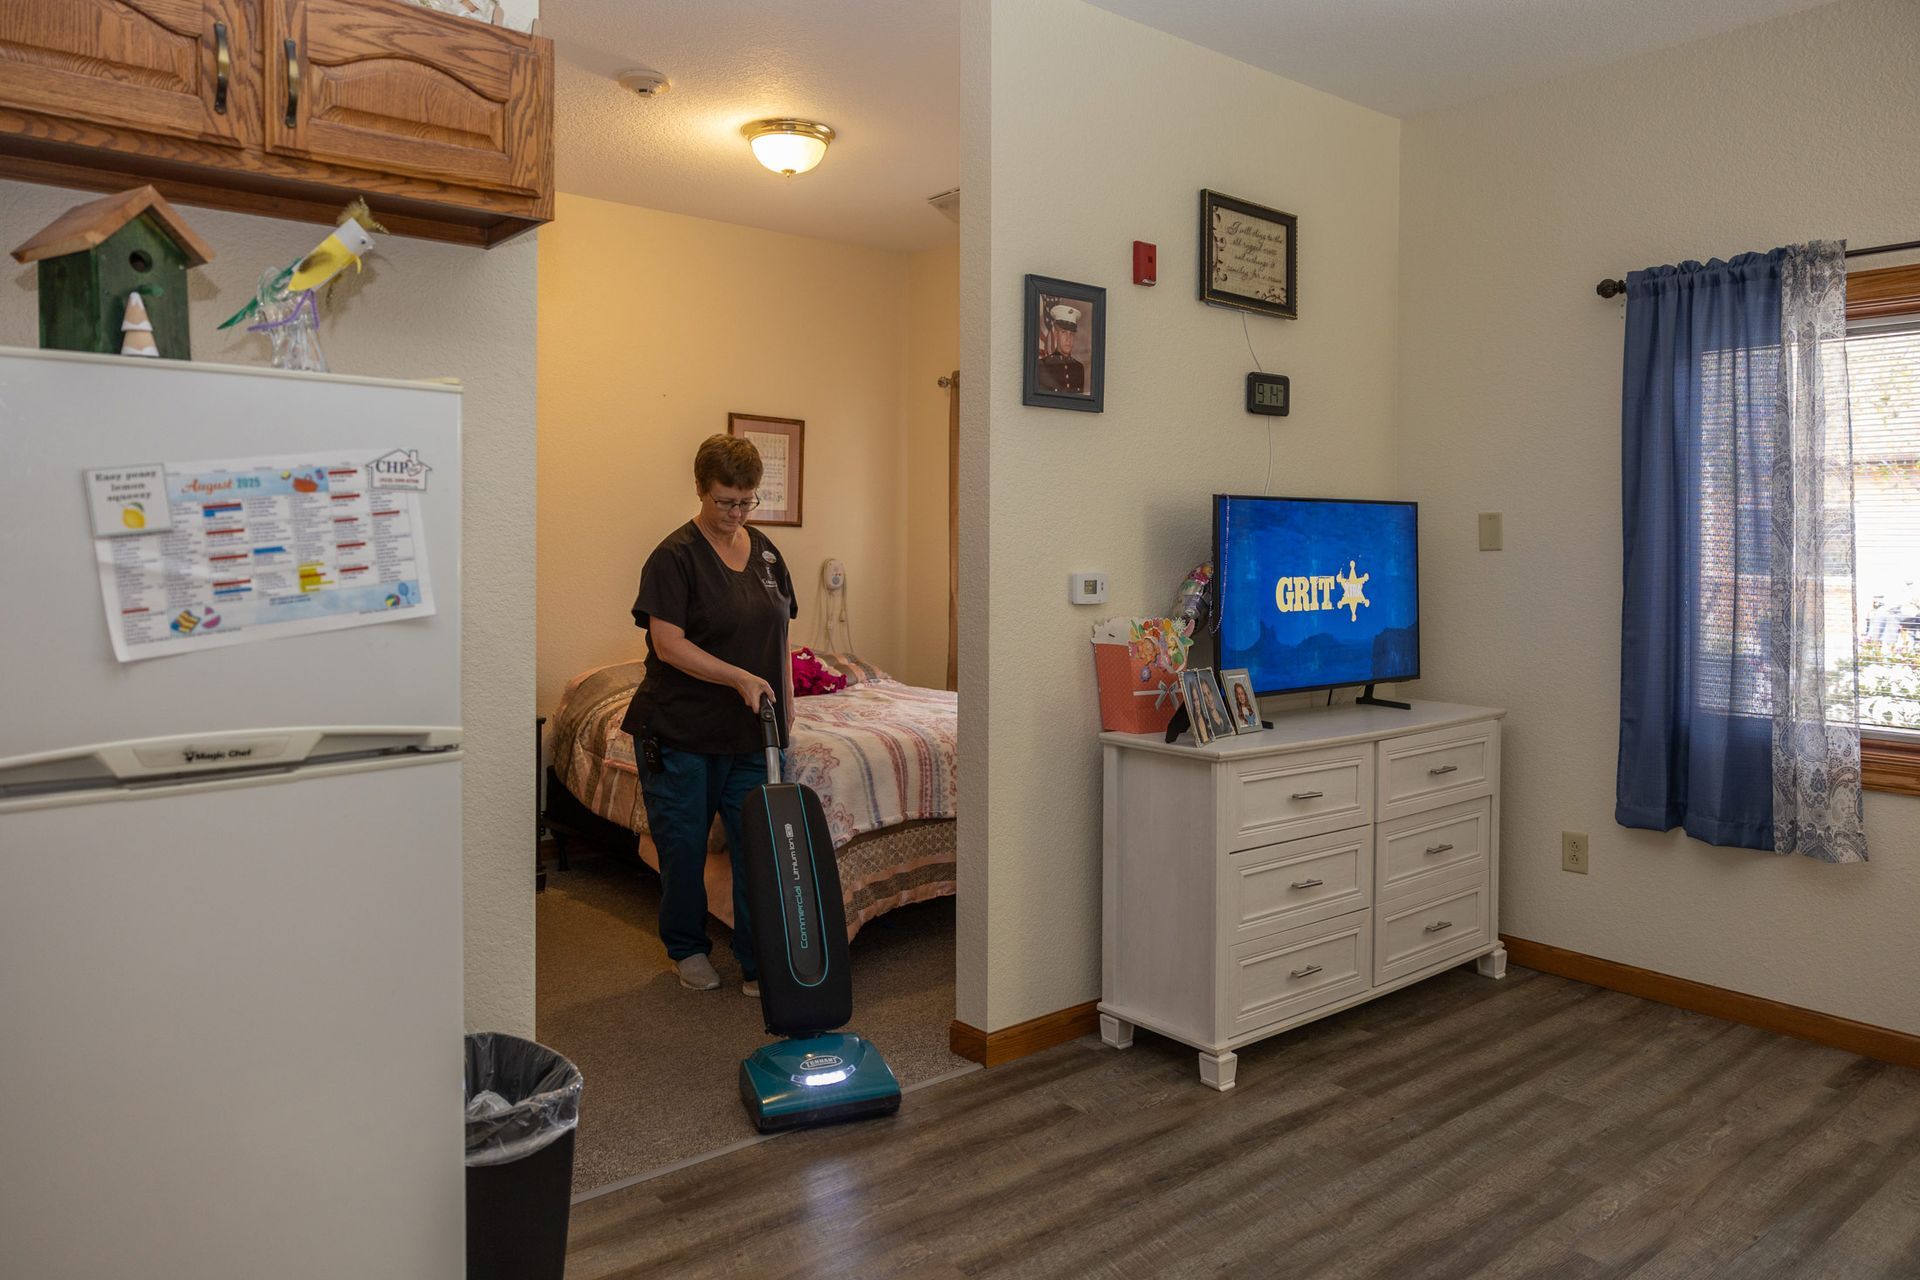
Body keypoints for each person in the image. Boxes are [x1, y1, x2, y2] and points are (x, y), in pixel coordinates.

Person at [621, 434, 797, 995]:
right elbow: (668, 644)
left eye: (747, 501)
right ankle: (687, 947)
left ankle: (758, 959)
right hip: (681, 732)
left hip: (750, 735)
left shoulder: (766, 553)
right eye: (725, 501)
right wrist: (738, 678)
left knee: (757, 849)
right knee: (684, 846)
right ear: (699, 488)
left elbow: (780, 638)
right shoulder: (674, 557)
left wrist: (787, 712)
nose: (736, 513)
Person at [1035, 302, 1087, 394]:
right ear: (1056, 334)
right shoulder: (1042, 366)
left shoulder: (1079, 368)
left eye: (1071, 334)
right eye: (1064, 332)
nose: (1068, 338)